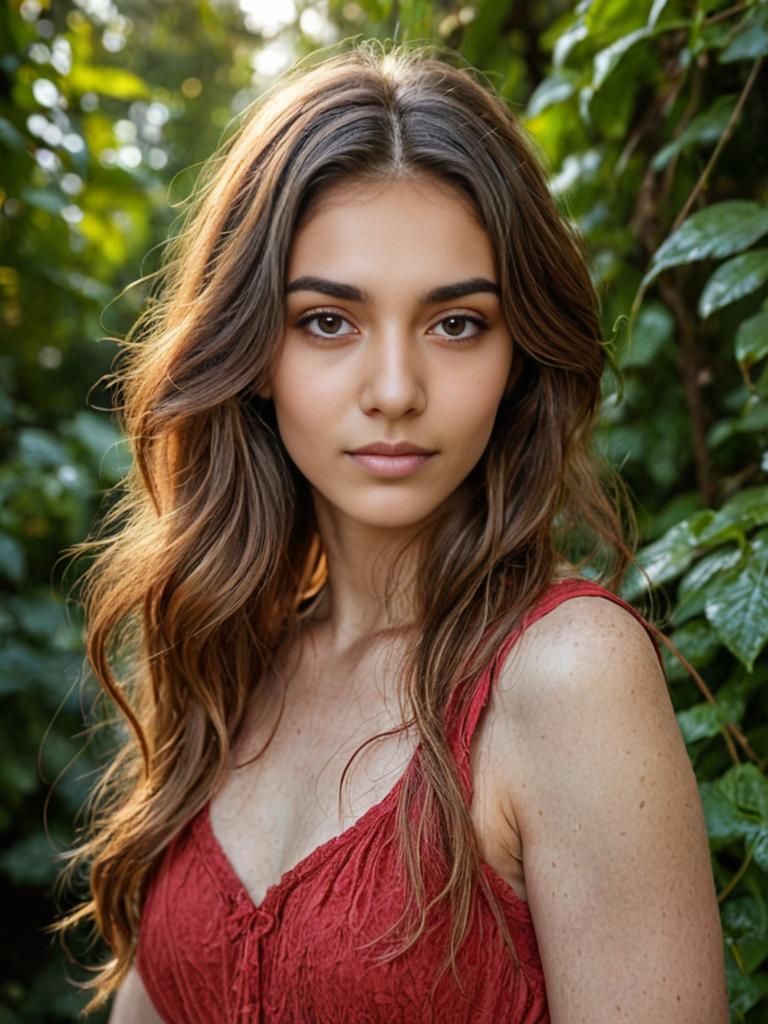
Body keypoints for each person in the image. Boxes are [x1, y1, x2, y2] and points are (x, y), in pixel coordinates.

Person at [50, 39, 728, 1023]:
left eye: (456, 324)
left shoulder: (566, 676)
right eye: (330, 321)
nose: (397, 392)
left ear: (520, 355)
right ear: (252, 350)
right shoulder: (233, 657)